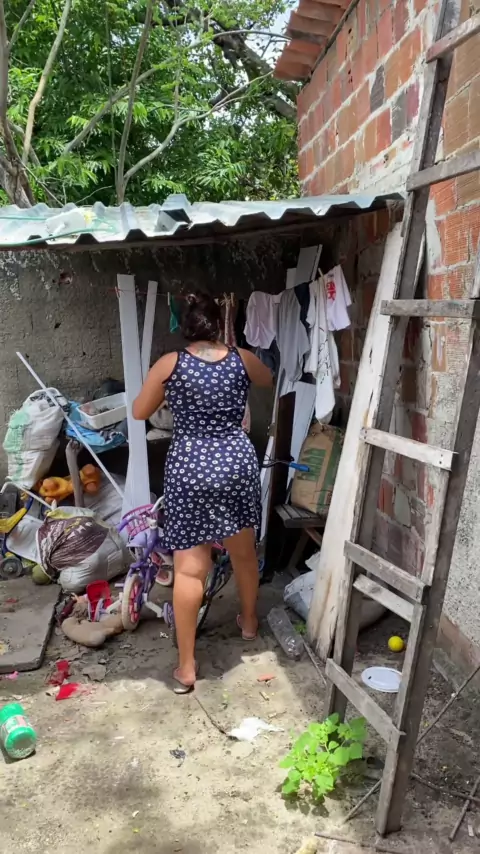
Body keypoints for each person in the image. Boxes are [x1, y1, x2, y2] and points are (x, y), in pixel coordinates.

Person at [133, 292, 272, 693]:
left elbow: (140, 412)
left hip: (191, 466)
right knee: (243, 552)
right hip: (235, 462)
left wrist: (174, 393)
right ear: (218, 322)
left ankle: (187, 666)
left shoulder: (170, 364)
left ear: (185, 327)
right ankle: (249, 623)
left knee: (190, 568)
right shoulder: (242, 359)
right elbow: (267, 380)